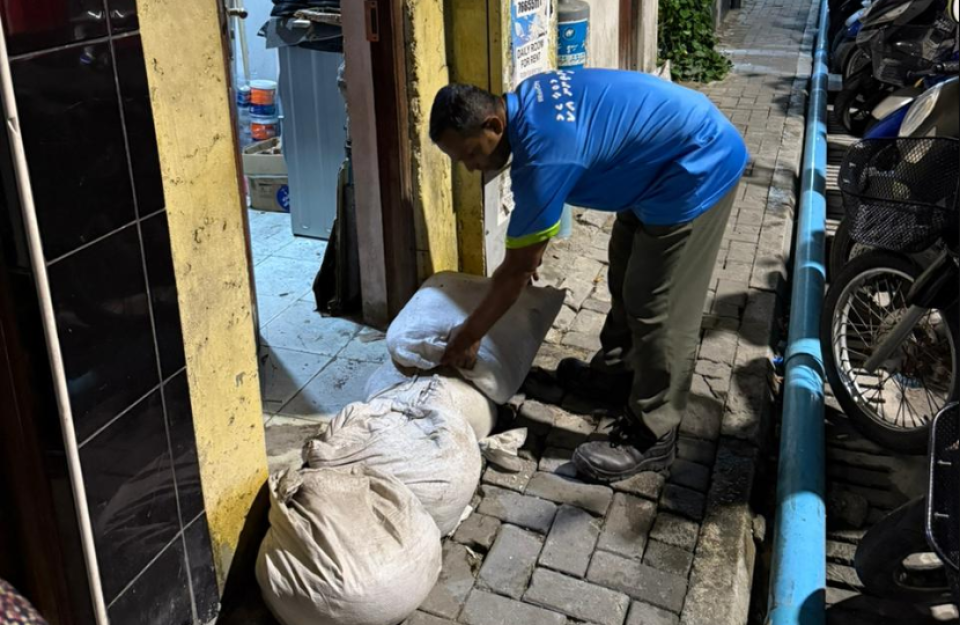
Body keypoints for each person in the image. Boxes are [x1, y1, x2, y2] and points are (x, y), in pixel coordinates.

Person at [430, 68, 748, 483]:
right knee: (624, 273)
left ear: (493, 124)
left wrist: (469, 335)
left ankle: (653, 431)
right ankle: (615, 377)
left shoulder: (547, 151)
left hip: (696, 166)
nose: (472, 168)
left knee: (657, 305)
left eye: (471, 154)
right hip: (651, 168)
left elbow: (517, 271)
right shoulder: (526, 101)